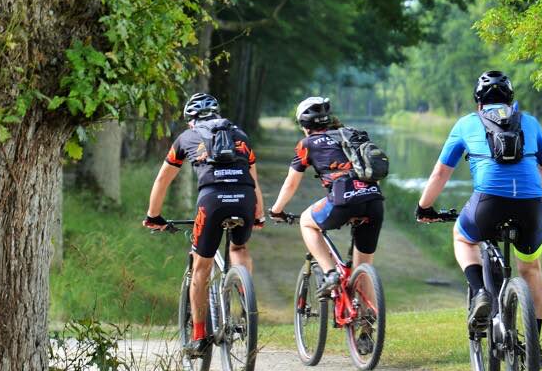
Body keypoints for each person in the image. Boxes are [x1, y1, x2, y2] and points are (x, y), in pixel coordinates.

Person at [415, 70, 542, 352]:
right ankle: (534, 345)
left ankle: (480, 291)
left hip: (488, 203)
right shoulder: (529, 122)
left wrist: (424, 207)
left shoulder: (467, 123)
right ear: (511, 98)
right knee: (530, 267)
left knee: (463, 237)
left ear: (478, 101)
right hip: (531, 204)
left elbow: (441, 171)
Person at [143, 92, 266, 356]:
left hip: (211, 201)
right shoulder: (240, 136)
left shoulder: (186, 138)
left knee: (201, 267)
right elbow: (253, 181)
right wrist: (259, 216)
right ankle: (246, 307)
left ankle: (199, 337)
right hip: (244, 197)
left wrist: (154, 216)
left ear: (191, 120)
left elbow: (162, 180)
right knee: (239, 248)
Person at [268, 96, 385, 299]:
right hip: (374, 201)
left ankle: (330, 273)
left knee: (306, 221)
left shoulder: (307, 144)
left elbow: (291, 183)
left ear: (304, 125)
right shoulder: (352, 135)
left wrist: (276, 210)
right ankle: (367, 326)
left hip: (344, 200)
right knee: (363, 268)